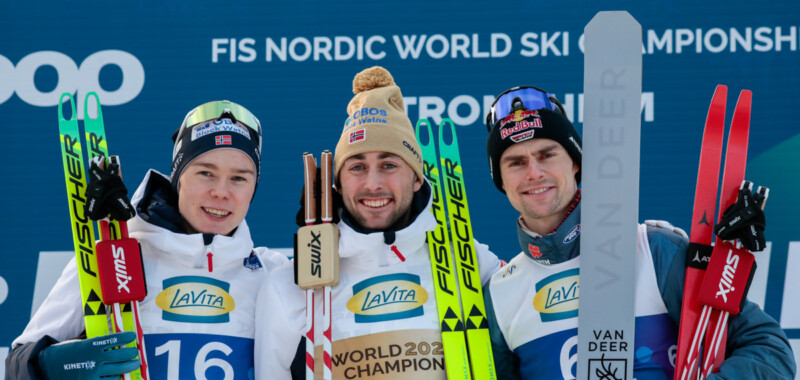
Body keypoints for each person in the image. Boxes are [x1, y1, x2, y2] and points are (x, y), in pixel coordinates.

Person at [481, 86, 796, 379]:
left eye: (547, 155)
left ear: (575, 164)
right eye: (516, 163)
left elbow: (769, 349)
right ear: (501, 181)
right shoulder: (500, 293)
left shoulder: (656, 250)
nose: (534, 173)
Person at [6, 100, 288, 379]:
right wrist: (50, 364)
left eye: (239, 178)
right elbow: (16, 367)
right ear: (178, 177)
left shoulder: (272, 274)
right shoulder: (112, 258)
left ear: (254, 188)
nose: (220, 192)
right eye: (205, 173)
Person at [254, 66, 502, 379]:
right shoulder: (290, 286)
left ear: (416, 178)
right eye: (357, 167)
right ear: (338, 185)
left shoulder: (470, 264)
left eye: (388, 164)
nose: (373, 183)